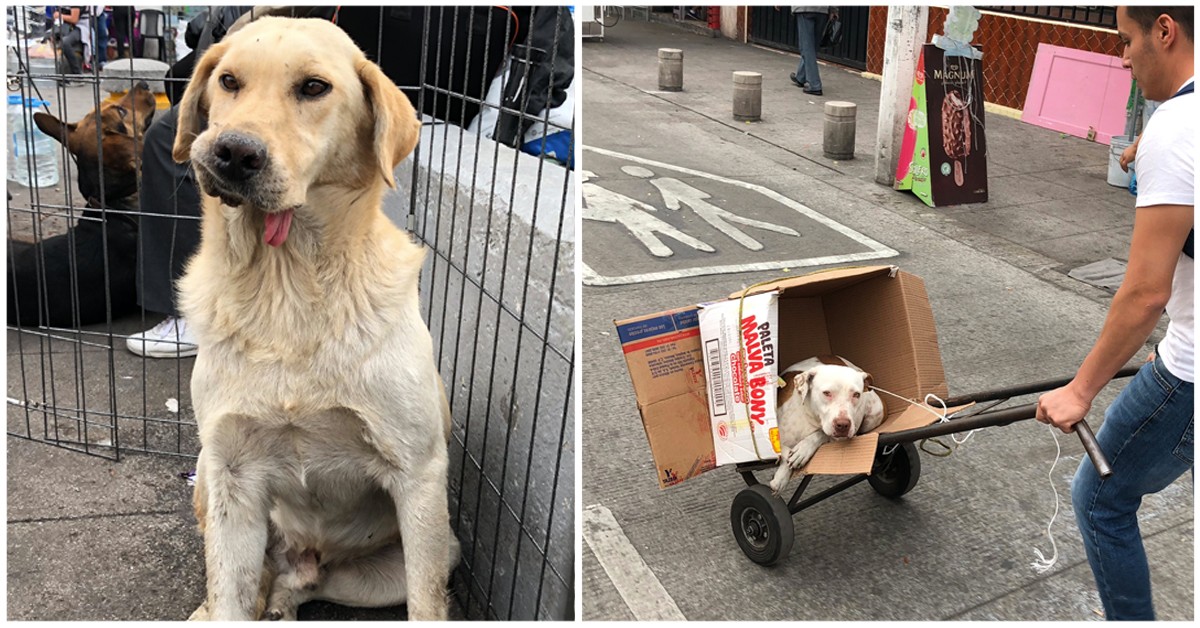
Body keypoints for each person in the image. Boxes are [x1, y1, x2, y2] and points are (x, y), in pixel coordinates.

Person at [1035, 5, 1192, 621]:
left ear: (1164, 29)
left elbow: (1145, 293)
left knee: (1101, 500)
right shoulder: (1176, 126)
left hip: (1193, 368)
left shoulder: (1179, 127)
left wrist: (1081, 388)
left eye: (1127, 40)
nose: (1122, 56)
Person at [788, 6, 834, 96]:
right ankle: (801, 77)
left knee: (806, 47)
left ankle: (814, 85)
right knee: (812, 46)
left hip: (804, 8)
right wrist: (834, 9)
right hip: (822, 10)